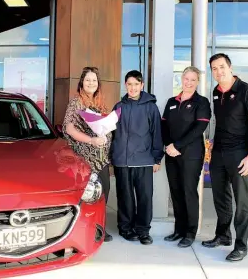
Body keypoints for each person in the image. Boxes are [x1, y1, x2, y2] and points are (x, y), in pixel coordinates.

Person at [202, 53, 248, 262]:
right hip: (218, 153)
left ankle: (241, 245)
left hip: (239, 154)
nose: (218, 72)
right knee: (221, 198)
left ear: (230, 67)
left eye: (222, 67)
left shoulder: (247, 91)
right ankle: (223, 235)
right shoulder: (216, 92)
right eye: (214, 69)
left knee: (242, 201)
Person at [110, 70, 164, 245]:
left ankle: (143, 230)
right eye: (129, 84)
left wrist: (157, 158)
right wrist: (113, 157)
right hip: (123, 161)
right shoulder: (118, 107)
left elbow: (157, 133)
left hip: (144, 160)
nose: (132, 88)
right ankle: (126, 228)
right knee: (125, 197)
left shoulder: (151, 107)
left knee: (145, 197)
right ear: (125, 85)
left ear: (142, 85)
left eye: (136, 84)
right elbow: (111, 133)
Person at [161, 66, 211, 248]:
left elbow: (199, 129)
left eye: (193, 80)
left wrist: (177, 145)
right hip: (171, 154)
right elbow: (164, 127)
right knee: (175, 191)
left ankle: (190, 232)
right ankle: (179, 230)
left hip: (191, 155)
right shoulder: (171, 102)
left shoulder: (202, 102)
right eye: (186, 79)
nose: (188, 83)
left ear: (197, 82)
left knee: (189, 191)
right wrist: (168, 145)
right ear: (181, 79)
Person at [62, 66, 113, 242]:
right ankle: (86, 231)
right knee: (89, 194)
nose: (91, 83)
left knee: (104, 192)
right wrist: (91, 140)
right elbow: (69, 128)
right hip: (85, 158)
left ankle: (100, 228)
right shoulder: (76, 102)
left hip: (102, 158)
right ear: (82, 83)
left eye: (94, 80)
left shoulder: (99, 103)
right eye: (88, 80)